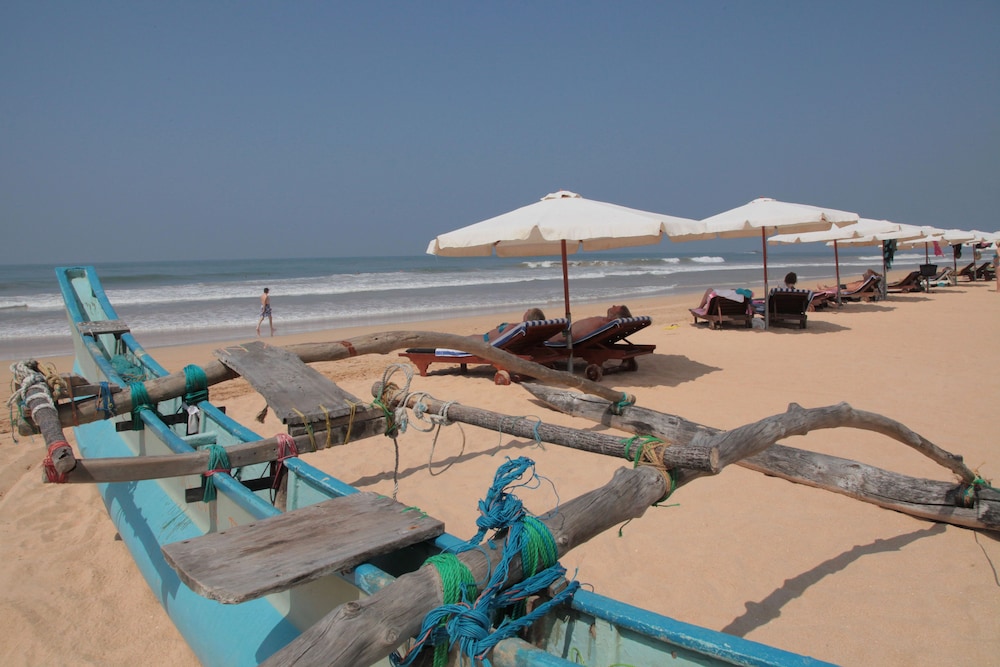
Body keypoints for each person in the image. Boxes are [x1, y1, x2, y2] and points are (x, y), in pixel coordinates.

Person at [549, 304, 632, 343]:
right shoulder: (606, 322)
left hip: (569, 334)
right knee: (552, 333)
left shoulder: (606, 324)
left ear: (615, 316)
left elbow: (580, 334)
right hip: (569, 331)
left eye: (615, 308)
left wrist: (568, 335)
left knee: (549, 337)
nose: (613, 305)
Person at [481, 308, 546, 343]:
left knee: (470, 341)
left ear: (528, 318)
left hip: (486, 339)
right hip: (488, 338)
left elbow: (493, 342)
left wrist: (486, 346)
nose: (528, 309)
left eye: (529, 311)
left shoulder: (513, 327)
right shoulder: (526, 328)